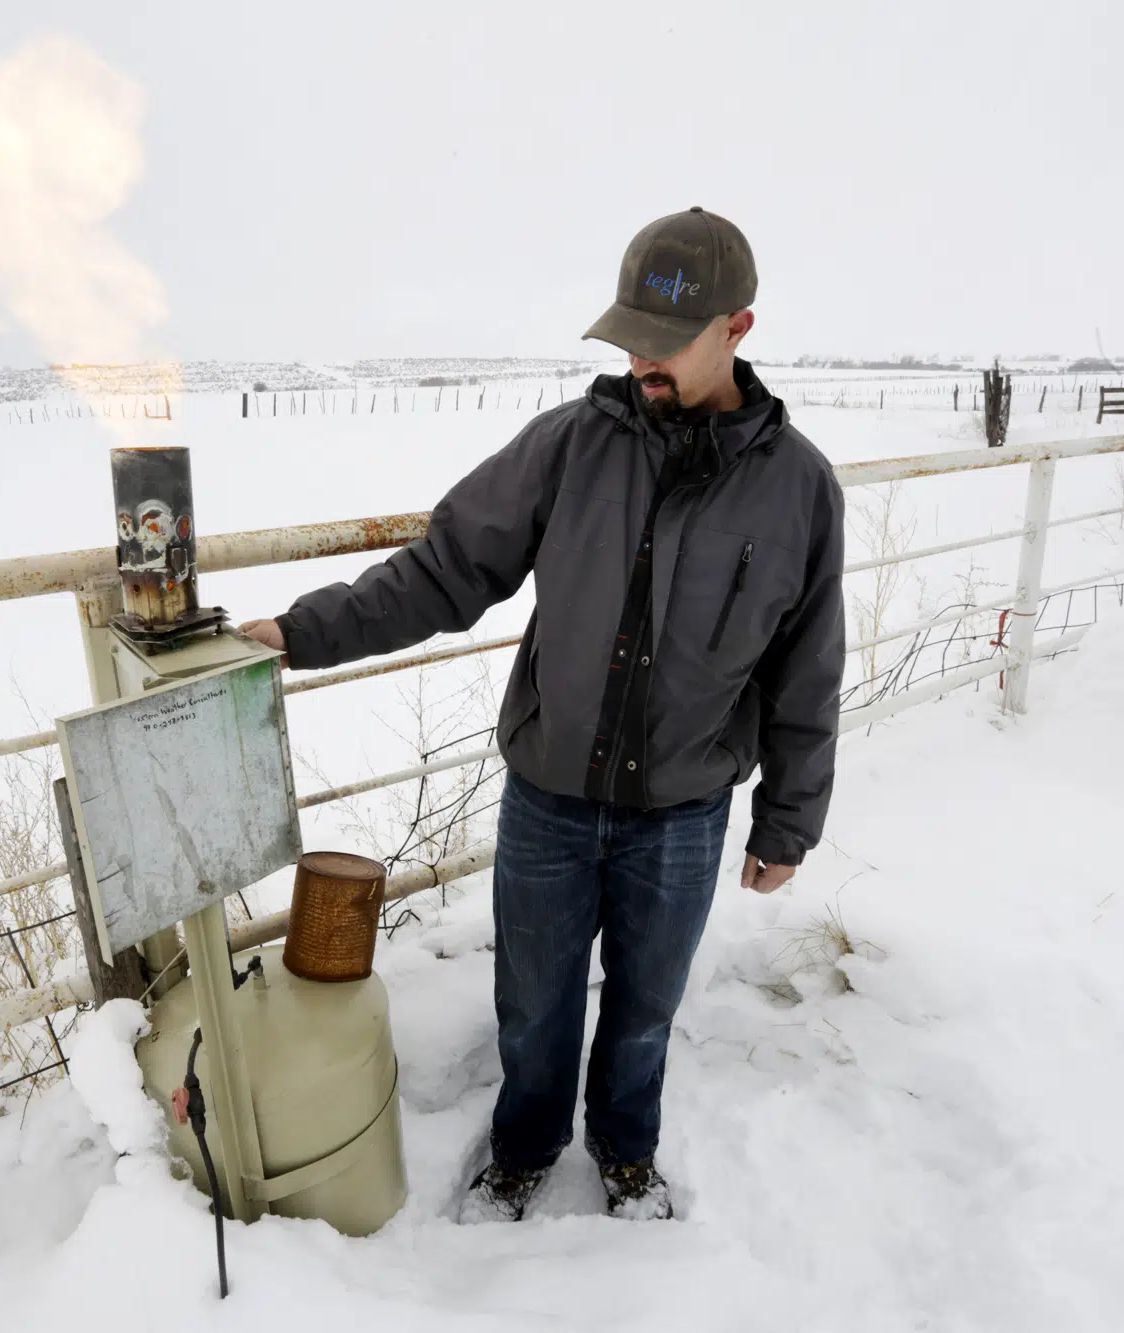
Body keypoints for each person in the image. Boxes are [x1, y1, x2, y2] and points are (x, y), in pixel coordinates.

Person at [241, 207, 845, 1222]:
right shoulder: (568, 448)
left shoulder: (798, 490)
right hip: (549, 802)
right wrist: (300, 633)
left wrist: (787, 822)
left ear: (736, 328)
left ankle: (624, 1149)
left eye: (667, 340)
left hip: (684, 813)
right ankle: (521, 1148)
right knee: (533, 1005)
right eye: (629, 338)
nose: (641, 360)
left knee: (645, 1012)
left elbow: (805, 671)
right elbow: (443, 572)